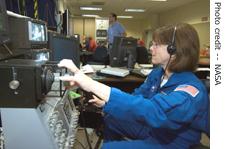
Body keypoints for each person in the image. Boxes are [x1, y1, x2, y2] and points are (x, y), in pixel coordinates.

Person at [58, 23, 209, 149]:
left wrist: (91, 84)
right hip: (154, 130)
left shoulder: (191, 89)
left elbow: (156, 112)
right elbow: (137, 97)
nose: (151, 48)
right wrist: (107, 102)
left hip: (174, 142)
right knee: (111, 116)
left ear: (174, 51)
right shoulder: (157, 74)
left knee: (109, 148)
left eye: (156, 45)